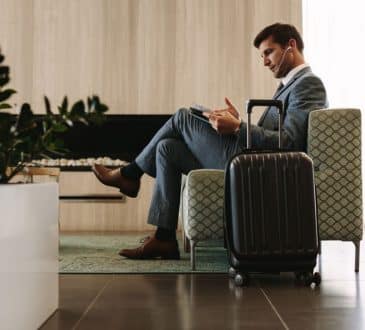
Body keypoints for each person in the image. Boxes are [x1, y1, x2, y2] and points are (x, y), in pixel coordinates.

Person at [92, 23, 328, 260]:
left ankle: (130, 174)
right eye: (262, 55)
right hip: (250, 159)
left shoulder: (308, 84)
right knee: (167, 149)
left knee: (183, 117)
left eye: (268, 52)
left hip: (256, 168)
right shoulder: (288, 86)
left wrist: (238, 128)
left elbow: (290, 143)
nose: (265, 61)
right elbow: (274, 134)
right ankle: (164, 238)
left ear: (291, 46)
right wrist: (237, 122)